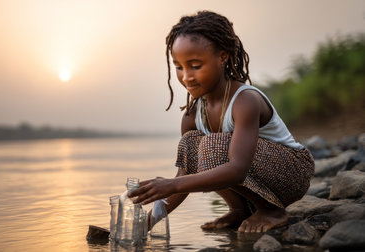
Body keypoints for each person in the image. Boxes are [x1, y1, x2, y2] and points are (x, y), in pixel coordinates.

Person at [128, 11, 314, 233]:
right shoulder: (192, 115)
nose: (186, 76)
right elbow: (184, 177)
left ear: (223, 57)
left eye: (195, 66)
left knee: (212, 146)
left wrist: (171, 184)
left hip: (292, 172)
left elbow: (237, 170)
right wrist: (144, 225)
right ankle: (239, 211)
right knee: (191, 144)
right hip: (257, 177)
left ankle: (271, 211)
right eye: (179, 67)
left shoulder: (244, 100)